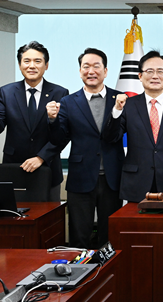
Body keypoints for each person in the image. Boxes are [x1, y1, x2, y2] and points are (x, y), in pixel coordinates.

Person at [47, 48, 124, 249]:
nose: (91, 71)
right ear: (80, 71)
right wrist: (52, 120)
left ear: (105, 71)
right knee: (79, 236)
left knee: (110, 236)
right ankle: (79, 270)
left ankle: (108, 270)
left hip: (112, 178)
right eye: (86, 66)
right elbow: (58, 139)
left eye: (96, 66)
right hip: (80, 178)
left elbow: (119, 135)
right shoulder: (68, 102)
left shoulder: (120, 99)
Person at [0, 41, 68, 201]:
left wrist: (41, 157)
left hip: (48, 168)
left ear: (46, 65)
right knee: (13, 214)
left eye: (37, 61)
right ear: (20, 65)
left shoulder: (60, 93)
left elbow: (63, 135)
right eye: (26, 61)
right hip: (14, 167)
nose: (31, 66)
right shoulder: (7, 92)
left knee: (49, 215)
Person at [103, 51, 163, 202]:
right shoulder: (128, 105)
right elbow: (111, 137)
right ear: (140, 76)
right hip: (137, 183)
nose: (155, 76)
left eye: (160, 71)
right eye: (149, 71)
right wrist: (117, 110)